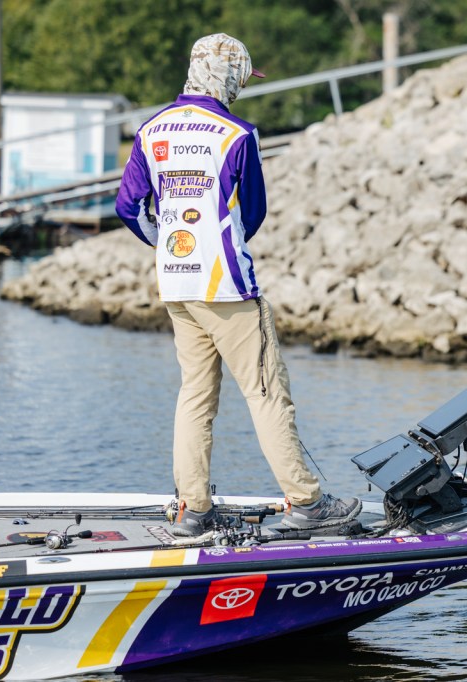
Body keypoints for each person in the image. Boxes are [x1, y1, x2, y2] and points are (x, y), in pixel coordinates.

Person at [115, 33, 360, 536]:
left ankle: (192, 510)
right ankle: (307, 503)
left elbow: (128, 206)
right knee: (267, 393)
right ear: (227, 77)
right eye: (243, 79)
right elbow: (254, 212)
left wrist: (166, 245)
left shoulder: (150, 130)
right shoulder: (237, 134)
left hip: (177, 283)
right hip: (227, 286)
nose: (243, 88)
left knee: (195, 396)